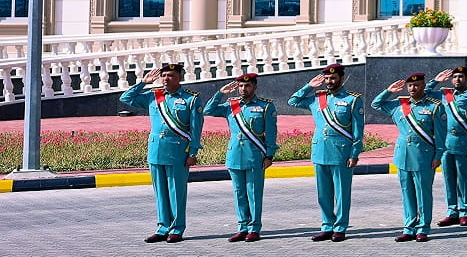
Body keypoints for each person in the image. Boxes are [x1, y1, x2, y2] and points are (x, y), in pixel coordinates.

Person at [120, 63, 203, 243]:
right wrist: (144, 82)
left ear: (180, 77)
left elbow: (196, 129)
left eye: (171, 75)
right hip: (156, 150)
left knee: (176, 191)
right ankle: (162, 227)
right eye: (164, 75)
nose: (166, 79)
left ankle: (177, 228)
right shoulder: (153, 96)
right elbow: (126, 98)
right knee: (160, 192)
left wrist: (193, 152)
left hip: (178, 151)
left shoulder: (191, 99)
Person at [289, 62, 364, 241]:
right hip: (320, 151)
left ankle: (340, 227)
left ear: (341, 78)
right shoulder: (317, 98)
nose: (329, 81)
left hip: (342, 153)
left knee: (342, 193)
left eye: (333, 78)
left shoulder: (352, 100)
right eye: (327, 79)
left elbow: (358, 130)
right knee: (323, 193)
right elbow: (292, 101)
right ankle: (327, 225)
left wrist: (355, 154)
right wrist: (309, 86)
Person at [372, 72, 447, 242]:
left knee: (423, 194)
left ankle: (423, 228)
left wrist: (438, 155)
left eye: (417, 85)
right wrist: (388, 91)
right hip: (403, 156)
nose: (413, 88)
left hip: (424, 156)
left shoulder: (435, 107)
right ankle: (409, 227)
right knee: (407, 193)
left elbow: (441, 135)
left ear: (424, 85)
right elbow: (376, 104)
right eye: (410, 86)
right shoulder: (399, 105)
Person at [204, 72, 277, 242]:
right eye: (241, 86)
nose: (244, 89)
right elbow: (209, 110)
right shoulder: (231, 105)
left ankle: (254, 228)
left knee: (253, 193)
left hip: (255, 156)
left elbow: (272, 133)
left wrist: (269, 155)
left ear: (254, 86)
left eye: (247, 85)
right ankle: (242, 227)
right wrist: (221, 93)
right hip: (235, 155)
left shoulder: (266, 106)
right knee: (239, 193)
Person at [431, 66, 467, 227]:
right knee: (448, 178)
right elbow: (426, 93)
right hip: (446, 143)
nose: (457, 79)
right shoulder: (445, 95)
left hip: (465, 142)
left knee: (465, 179)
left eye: (461, 77)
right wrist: (435, 81)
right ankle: (452, 211)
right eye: (455, 77)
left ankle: (465, 212)